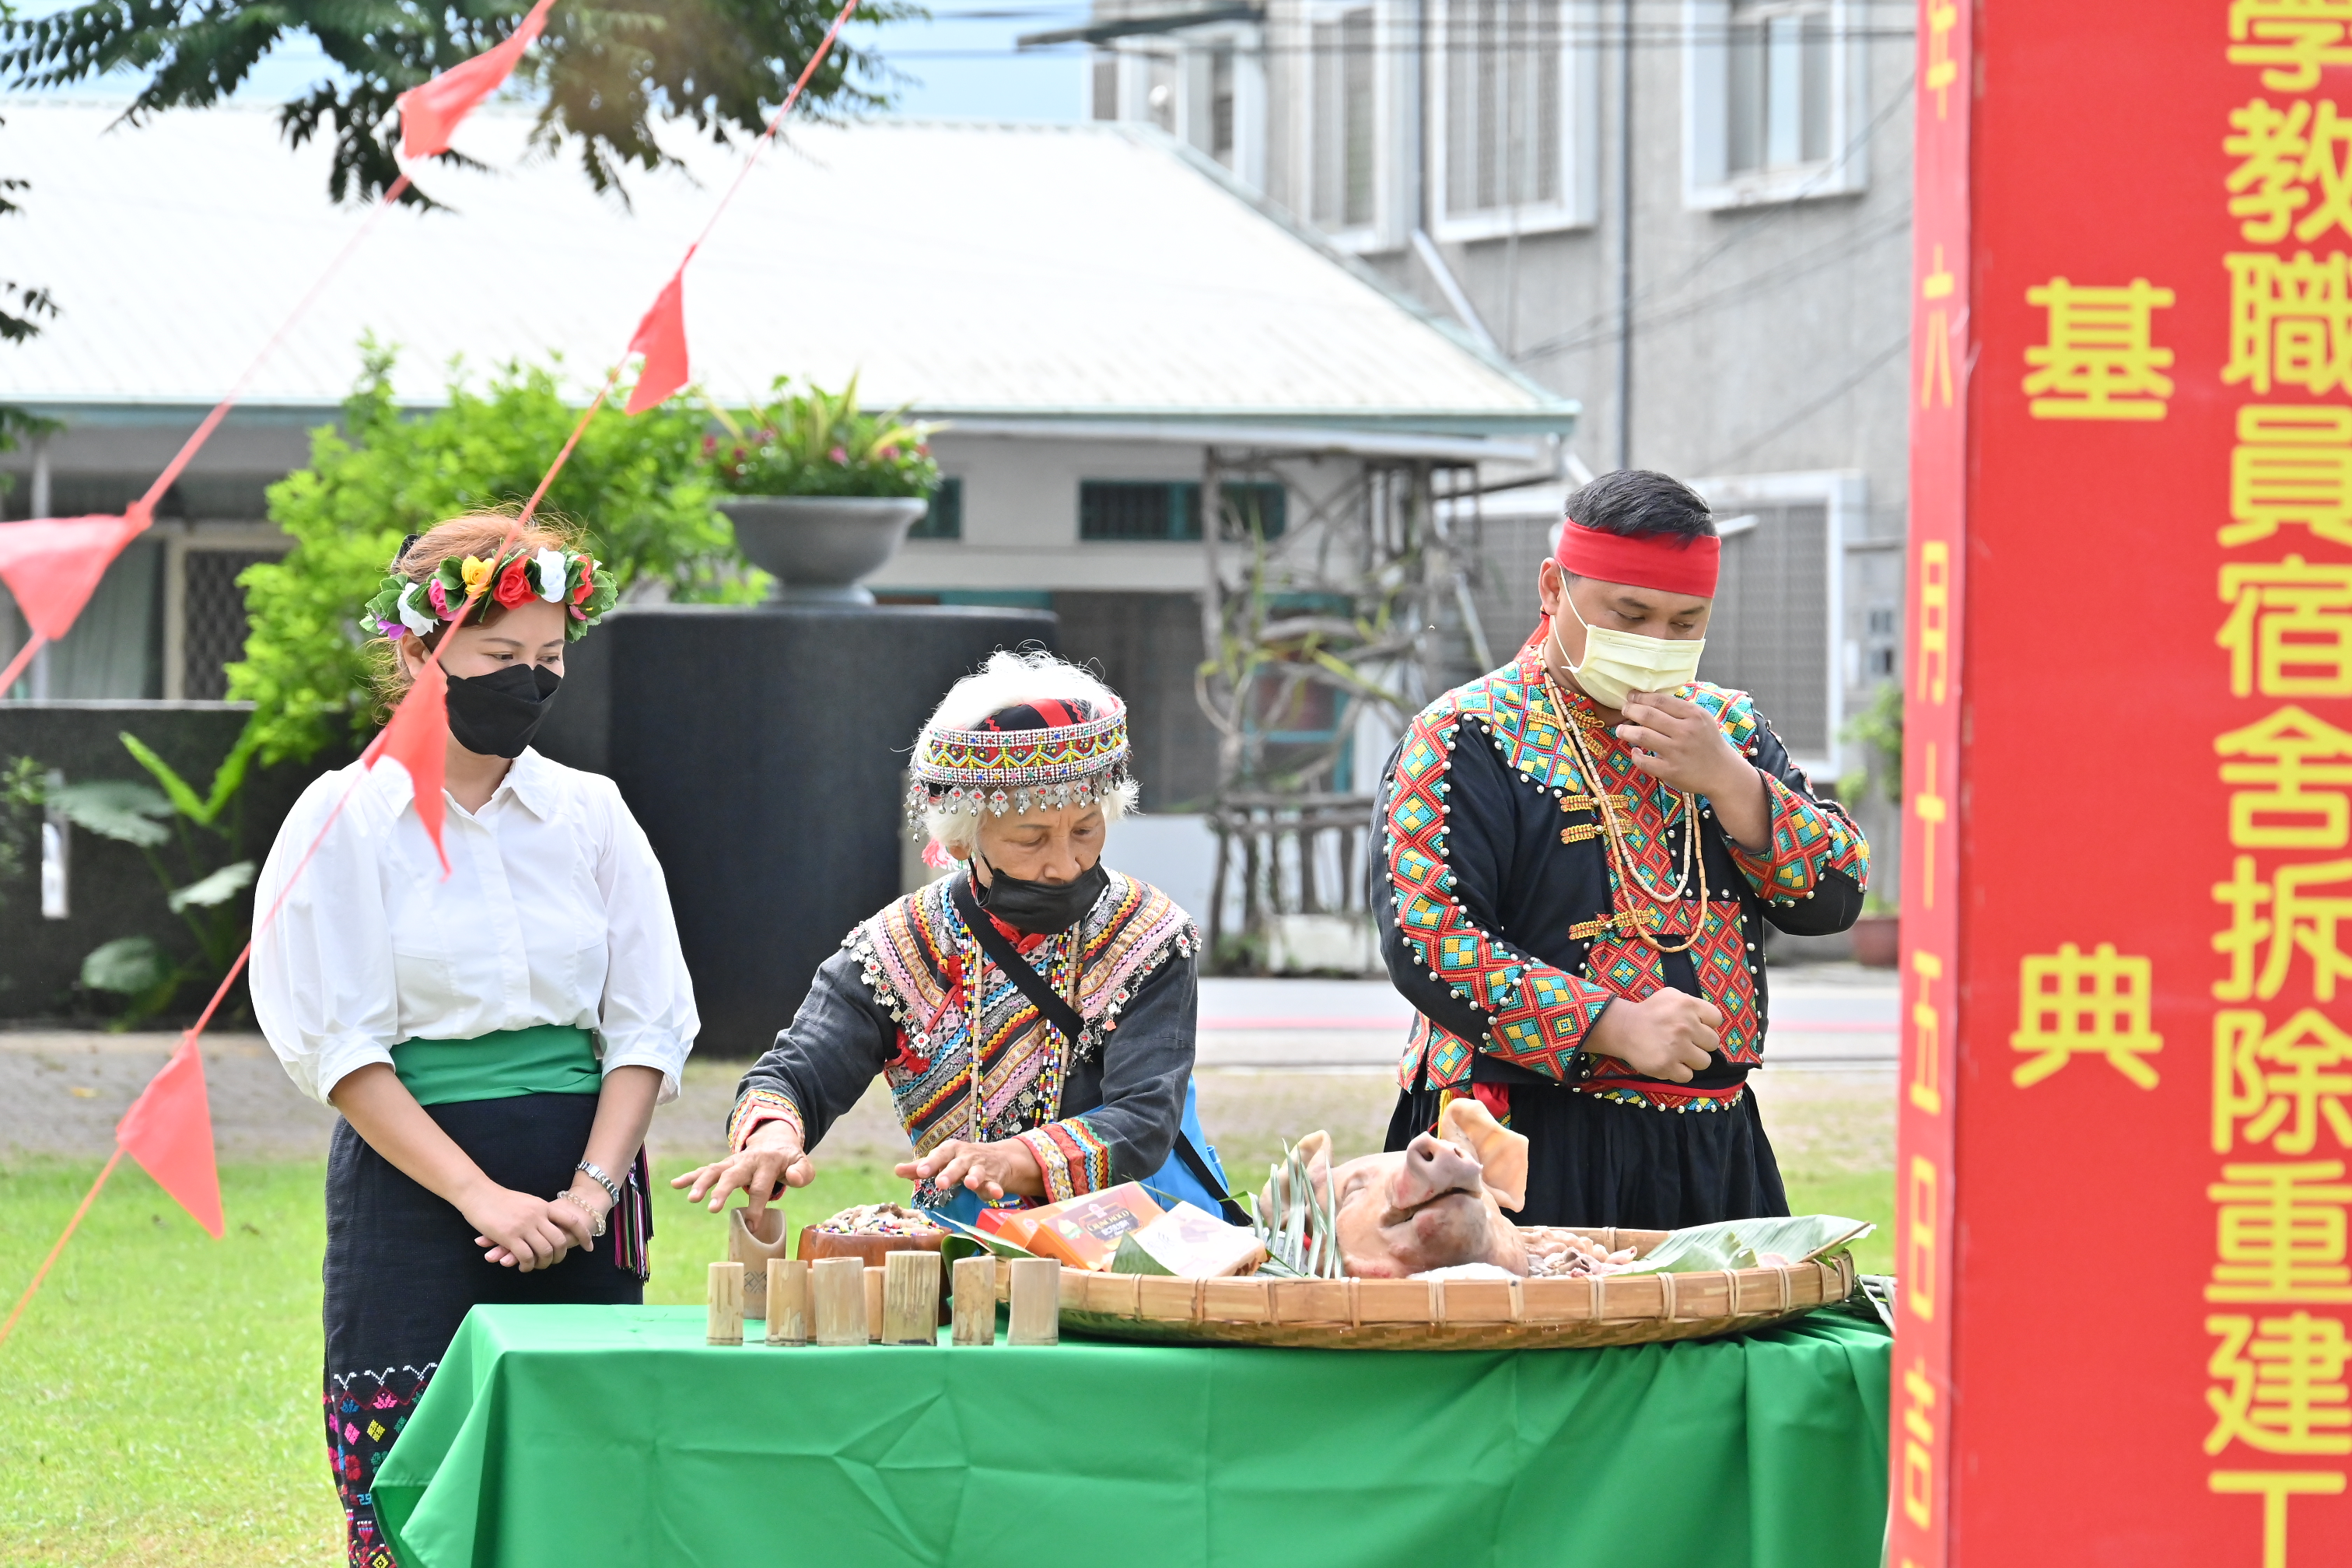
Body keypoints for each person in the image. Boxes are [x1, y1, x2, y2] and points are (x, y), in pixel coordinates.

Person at [250, 513, 698, 1568]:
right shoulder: (345, 818)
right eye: (499, 656)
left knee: (588, 1483)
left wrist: (593, 1190)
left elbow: (647, 1024)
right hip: (416, 1190)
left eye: (549, 657)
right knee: (424, 1484)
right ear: (420, 652)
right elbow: (341, 1049)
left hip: (582, 1189)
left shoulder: (592, 814)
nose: (528, 681)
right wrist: (480, 1197)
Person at [1374, 469, 1870, 1230]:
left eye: (1684, 623)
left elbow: (1837, 893)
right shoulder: (1465, 735)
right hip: (1521, 1130)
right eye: (1629, 615)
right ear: (1553, 588)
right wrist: (1611, 1024)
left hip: (1708, 1138)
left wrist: (1731, 782)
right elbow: (1428, 938)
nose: (1654, 644)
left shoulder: (1729, 731)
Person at [675, 649, 1213, 1228]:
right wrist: (773, 1138)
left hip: (1136, 1239)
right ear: (962, 839)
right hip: (966, 1247)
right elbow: (797, 1070)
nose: (1064, 864)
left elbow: (1144, 1118)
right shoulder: (897, 948)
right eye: (1031, 839)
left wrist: (1009, 1160)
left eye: (1085, 830)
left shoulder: (1149, 936)